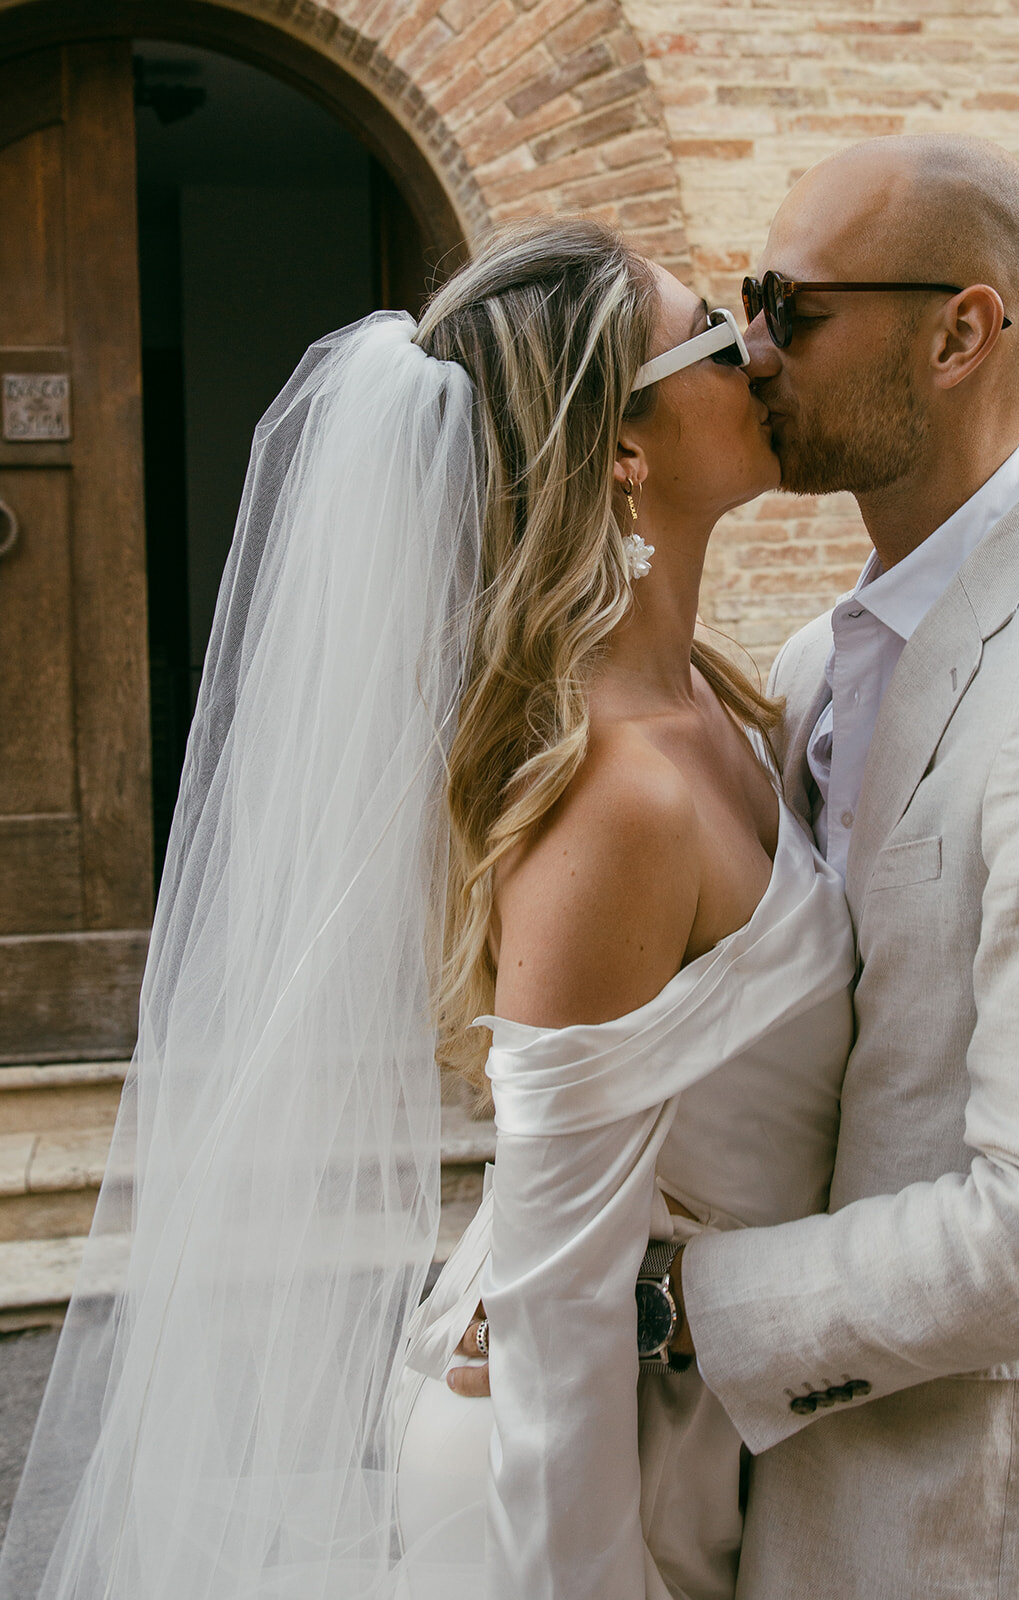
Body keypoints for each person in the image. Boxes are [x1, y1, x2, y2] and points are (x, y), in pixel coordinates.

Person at [0, 219, 854, 1600]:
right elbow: (559, 1321)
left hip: (703, 1433)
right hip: (584, 1493)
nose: (761, 349)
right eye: (715, 330)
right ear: (621, 451)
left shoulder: (729, 700)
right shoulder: (618, 804)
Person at [667, 135, 1019, 1597]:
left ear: (961, 332)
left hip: (959, 1523)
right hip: (741, 1506)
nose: (752, 350)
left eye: (793, 306)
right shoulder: (804, 670)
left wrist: (675, 1308)